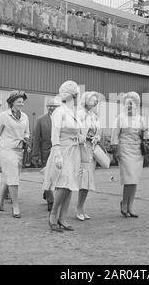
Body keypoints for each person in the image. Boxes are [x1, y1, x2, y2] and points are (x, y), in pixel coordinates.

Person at [43, 81, 84, 232]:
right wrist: (58, 155)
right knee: (64, 182)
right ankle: (53, 214)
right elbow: (55, 135)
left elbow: (76, 131)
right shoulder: (59, 112)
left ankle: (63, 218)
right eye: (76, 94)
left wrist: (80, 136)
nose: (77, 97)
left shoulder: (75, 112)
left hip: (74, 152)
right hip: (62, 151)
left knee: (70, 185)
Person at [0, 91, 30, 218]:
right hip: (6, 149)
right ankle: (16, 206)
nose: (22, 104)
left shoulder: (25, 116)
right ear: (12, 102)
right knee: (13, 177)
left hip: (19, 150)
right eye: (19, 101)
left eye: (22, 102)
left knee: (10, 176)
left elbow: (27, 132)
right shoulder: (4, 115)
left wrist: (26, 139)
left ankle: (0, 199)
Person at [111, 92, 147, 218]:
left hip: (137, 150)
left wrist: (144, 132)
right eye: (128, 104)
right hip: (125, 149)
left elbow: (144, 135)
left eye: (132, 103)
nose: (130, 106)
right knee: (129, 178)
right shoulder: (120, 118)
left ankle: (130, 206)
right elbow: (114, 134)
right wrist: (116, 150)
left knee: (135, 179)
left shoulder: (140, 118)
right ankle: (124, 203)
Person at [32, 98, 60, 211]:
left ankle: (47, 191)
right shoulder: (41, 120)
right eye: (50, 106)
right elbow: (36, 138)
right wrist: (35, 154)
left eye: (54, 106)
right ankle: (50, 200)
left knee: (56, 175)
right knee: (47, 175)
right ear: (47, 107)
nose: (52, 108)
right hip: (46, 152)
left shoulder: (62, 119)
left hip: (59, 152)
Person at [77, 92, 101, 221]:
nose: (95, 102)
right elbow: (75, 133)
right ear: (85, 100)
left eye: (97, 100)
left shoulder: (95, 116)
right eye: (93, 99)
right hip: (80, 149)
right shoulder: (79, 114)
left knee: (87, 181)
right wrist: (85, 138)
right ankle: (78, 209)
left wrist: (96, 138)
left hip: (91, 150)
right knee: (82, 180)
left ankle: (80, 208)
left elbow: (99, 132)